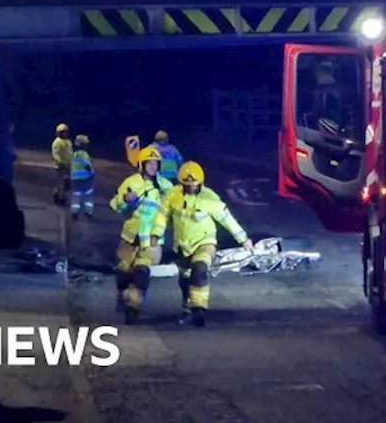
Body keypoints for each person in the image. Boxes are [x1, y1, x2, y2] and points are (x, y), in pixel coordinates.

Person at [152, 161, 252, 327]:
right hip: (182, 246)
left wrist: (244, 239)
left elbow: (227, 219)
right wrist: (156, 234)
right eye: (187, 185)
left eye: (194, 185)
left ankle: (198, 308)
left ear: (201, 183)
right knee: (184, 280)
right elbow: (162, 216)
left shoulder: (210, 198)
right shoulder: (173, 195)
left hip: (205, 242)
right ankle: (187, 309)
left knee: (199, 269)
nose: (191, 188)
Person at [108, 146, 169, 324]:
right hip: (130, 237)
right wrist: (125, 200)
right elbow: (117, 206)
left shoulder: (165, 186)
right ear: (142, 165)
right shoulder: (131, 182)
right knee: (123, 271)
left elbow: (171, 211)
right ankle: (122, 294)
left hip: (152, 240)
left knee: (142, 273)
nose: (152, 167)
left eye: (155, 164)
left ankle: (133, 306)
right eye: (148, 163)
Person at [70, 134, 95, 220]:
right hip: (85, 178)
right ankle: (88, 211)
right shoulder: (84, 154)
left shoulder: (74, 154)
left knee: (76, 195)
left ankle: (74, 211)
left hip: (75, 179)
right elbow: (87, 165)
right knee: (88, 195)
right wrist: (91, 173)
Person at [50, 123, 72, 206]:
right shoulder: (57, 142)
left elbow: (70, 153)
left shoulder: (68, 142)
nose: (64, 133)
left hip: (67, 165)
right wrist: (60, 162)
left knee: (67, 183)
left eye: (65, 132)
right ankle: (57, 197)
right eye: (62, 132)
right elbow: (55, 153)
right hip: (60, 166)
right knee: (60, 183)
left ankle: (63, 197)